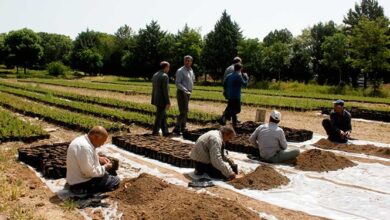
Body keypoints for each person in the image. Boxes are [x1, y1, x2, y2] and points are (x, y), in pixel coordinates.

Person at [66, 126, 120, 194]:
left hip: (75, 178)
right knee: (116, 180)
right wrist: (105, 167)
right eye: (102, 142)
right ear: (95, 137)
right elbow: (89, 173)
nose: (102, 145)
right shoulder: (85, 148)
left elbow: (86, 158)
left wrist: (99, 159)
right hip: (81, 182)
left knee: (106, 174)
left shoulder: (82, 140)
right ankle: (83, 190)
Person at [172, 55, 195, 135]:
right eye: (186, 60)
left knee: (185, 111)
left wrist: (190, 90)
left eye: (189, 61)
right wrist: (185, 90)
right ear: (184, 61)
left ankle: (181, 127)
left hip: (188, 93)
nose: (187, 62)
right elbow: (177, 83)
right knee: (184, 110)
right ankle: (178, 127)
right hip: (182, 92)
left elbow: (192, 80)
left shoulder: (191, 70)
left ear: (191, 62)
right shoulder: (180, 71)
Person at [151, 61, 171, 136]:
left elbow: (154, 88)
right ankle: (155, 132)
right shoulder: (165, 76)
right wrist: (168, 102)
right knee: (159, 117)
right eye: (168, 67)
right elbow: (165, 90)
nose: (169, 69)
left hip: (156, 98)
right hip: (162, 100)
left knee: (163, 116)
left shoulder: (155, 74)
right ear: (166, 67)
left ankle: (165, 132)